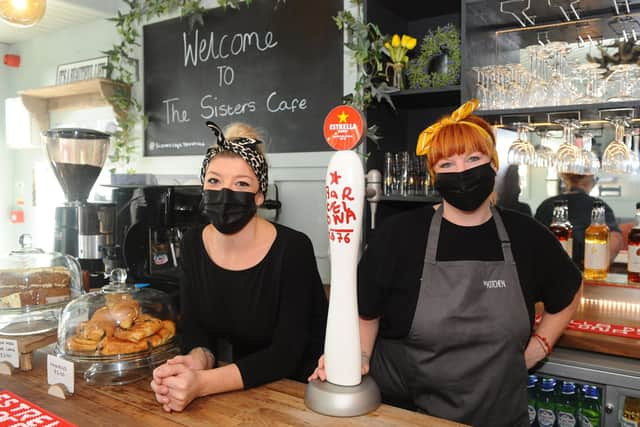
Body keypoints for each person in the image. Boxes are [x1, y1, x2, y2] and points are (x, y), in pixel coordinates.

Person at [309, 100, 582, 427]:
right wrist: (357, 359)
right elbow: (366, 311)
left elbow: (570, 289)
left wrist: (540, 345)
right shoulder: (399, 234)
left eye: (473, 159)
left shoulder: (526, 234)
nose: (462, 172)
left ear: (493, 165)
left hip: (501, 417)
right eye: (447, 165)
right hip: (409, 415)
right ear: (433, 176)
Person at [151, 121, 328, 412]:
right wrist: (194, 362)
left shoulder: (292, 249)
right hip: (242, 389)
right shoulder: (194, 242)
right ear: (203, 188)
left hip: (304, 391)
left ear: (259, 196)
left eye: (242, 184)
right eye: (215, 181)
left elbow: (286, 354)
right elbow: (197, 330)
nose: (225, 194)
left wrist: (202, 384)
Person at [535, 172, 623, 268]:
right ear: (589, 181)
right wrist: (596, 266)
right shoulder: (598, 206)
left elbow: (533, 240)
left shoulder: (546, 205)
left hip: (551, 270)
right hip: (584, 270)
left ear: (564, 178)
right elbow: (616, 240)